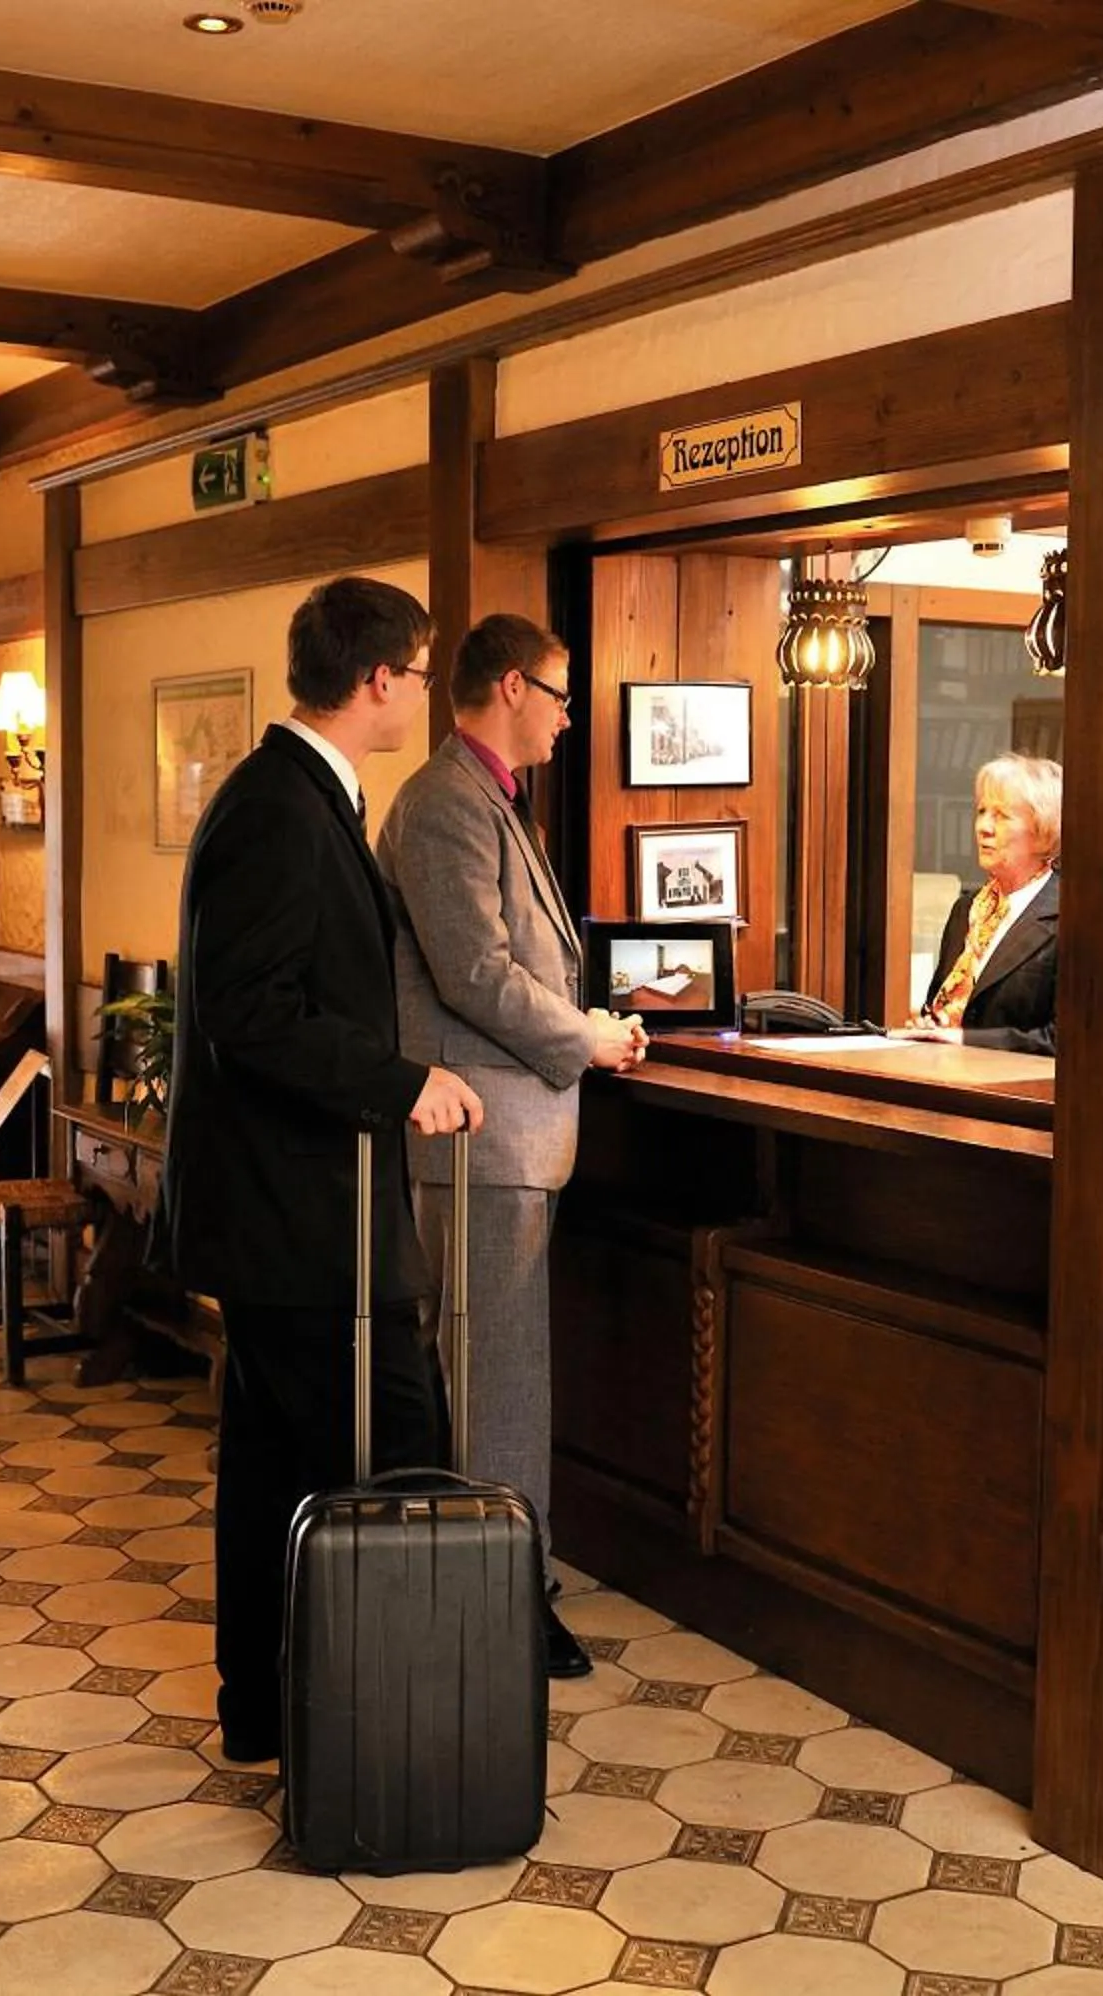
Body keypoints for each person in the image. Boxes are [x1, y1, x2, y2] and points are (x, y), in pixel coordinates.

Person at [157, 574, 485, 1767]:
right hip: (299, 1221)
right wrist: (401, 1082)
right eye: (418, 668)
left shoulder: (300, 796)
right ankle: (392, 1730)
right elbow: (250, 1012)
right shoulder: (277, 808)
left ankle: (273, 1711)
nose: (420, 691)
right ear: (378, 679)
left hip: (291, 1217)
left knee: (275, 1465)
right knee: (399, 1447)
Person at [378, 614, 646, 1681]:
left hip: (507, 1144)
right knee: (494, 1380)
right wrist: (589, 1034)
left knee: (497, 1372)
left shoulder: (488, 799)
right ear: (505, 687)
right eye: (559, 691)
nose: (570, 715)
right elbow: (476, 975)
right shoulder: (447, 802)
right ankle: (503, 1600)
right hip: (480, 1143)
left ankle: (497, 1580)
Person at [894, 750, 1062, 1054]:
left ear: (1043, 831)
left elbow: (1059, 1040)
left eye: (1001, 816)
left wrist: (964, 1039)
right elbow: (938, 1009)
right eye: (982, 811)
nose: (983, 827)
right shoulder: (966, 911)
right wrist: (929, 1029)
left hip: (1018, 1094)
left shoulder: (1069, 916)